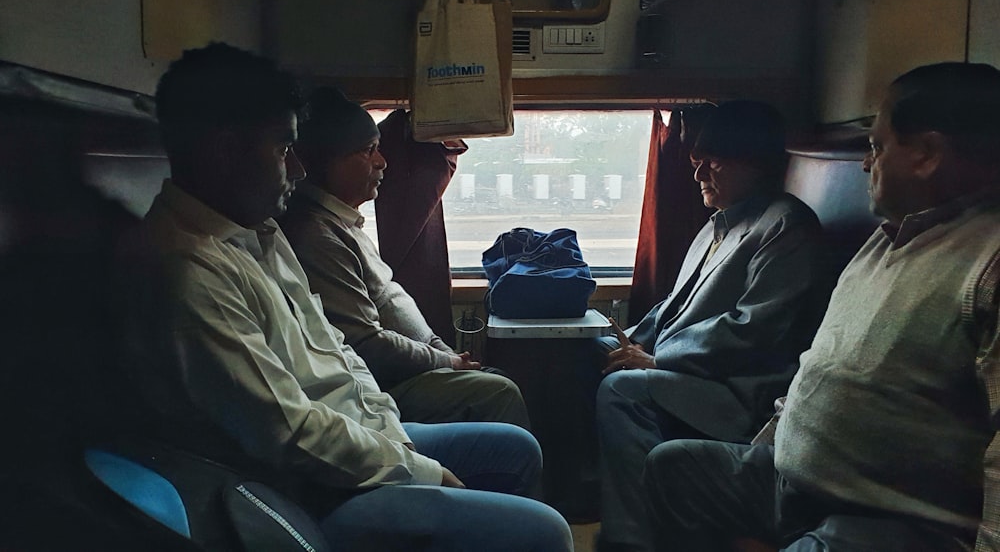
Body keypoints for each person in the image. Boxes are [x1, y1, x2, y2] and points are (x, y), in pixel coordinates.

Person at [116, 42, 572, 550]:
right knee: (547, 532)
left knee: (515, 449)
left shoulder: (259, 232)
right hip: (312, 488)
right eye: (283, 148)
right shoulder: (189, 272)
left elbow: (333, 343)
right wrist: (419, 470)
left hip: (361, 429)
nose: (298, 170)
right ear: (225, 149)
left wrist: (384, 421)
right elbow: (288, 432)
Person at [642, 62, 1000, 551]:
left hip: (883, 512)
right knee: (675, 465)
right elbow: (821, 364)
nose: (864, 164)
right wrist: (772, 445)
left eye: (875, 147)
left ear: (927, 154)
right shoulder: (883, 243)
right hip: (791, 475)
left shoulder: (987, 264)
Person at [595, 100, 832, 551]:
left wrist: (656, 357)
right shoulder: (717, 224)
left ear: (755, 162)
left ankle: (631, 540)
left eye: (712, 163)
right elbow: (674, 306)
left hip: (742, 391)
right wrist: (632, 339)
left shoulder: (786, 227)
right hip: (698, 371)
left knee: (623, 390)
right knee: (596, 352)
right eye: (696, 163)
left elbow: (752, 329)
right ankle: (612, 502)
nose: (699, 175)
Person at [280, 87, 529, 428]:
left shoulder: (342, 224)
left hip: (413, 370)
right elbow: (366, 343)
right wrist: (448, 363)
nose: (383, 162)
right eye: (368, 151)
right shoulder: (316, 237)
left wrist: (449, 355)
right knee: (500, 393)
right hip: (387, 383)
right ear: (324, 160)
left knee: (500, 377)